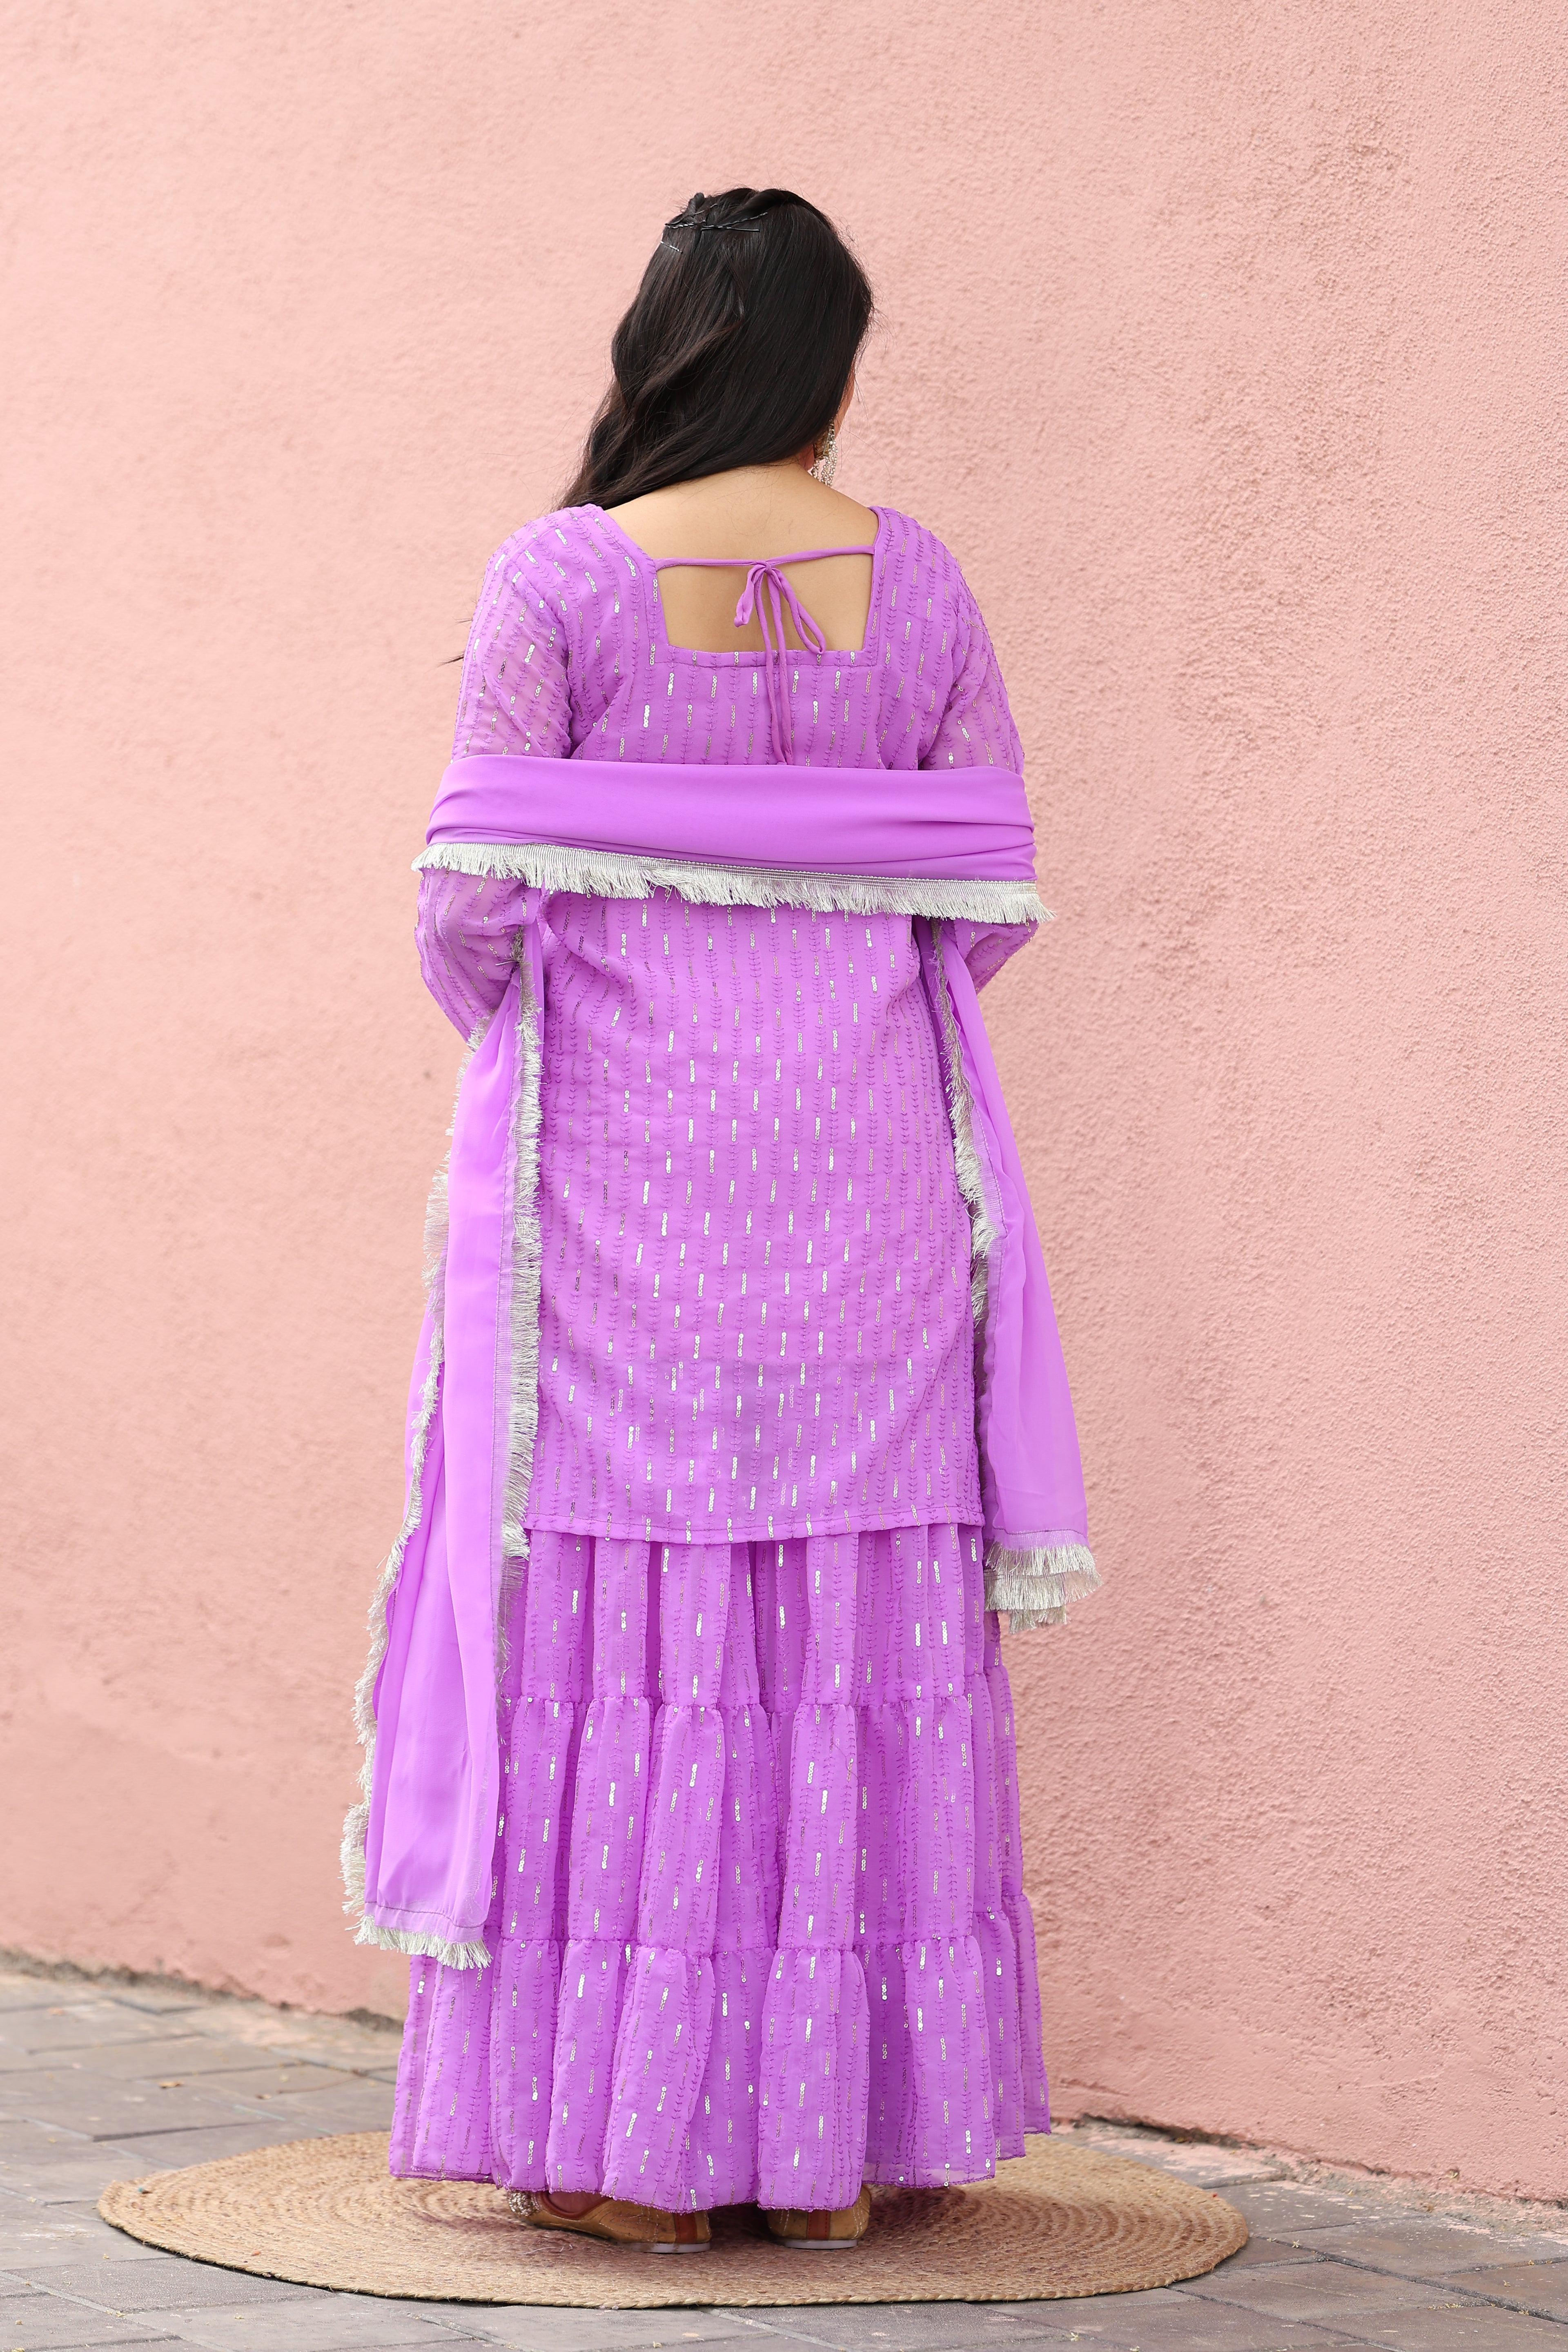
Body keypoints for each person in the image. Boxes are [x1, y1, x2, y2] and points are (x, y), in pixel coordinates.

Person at [343, 187, 1098, 2254]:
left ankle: (633, 2161)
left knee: (634, 1614)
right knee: (842, 1614)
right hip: (862, 1185)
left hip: (620, 1193)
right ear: (834, 362)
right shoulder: (918, 582)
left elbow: (468, 907)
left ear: (661, 346)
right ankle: (841, 2158)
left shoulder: (563, 578)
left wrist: (621, 990)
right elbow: (984, 890)